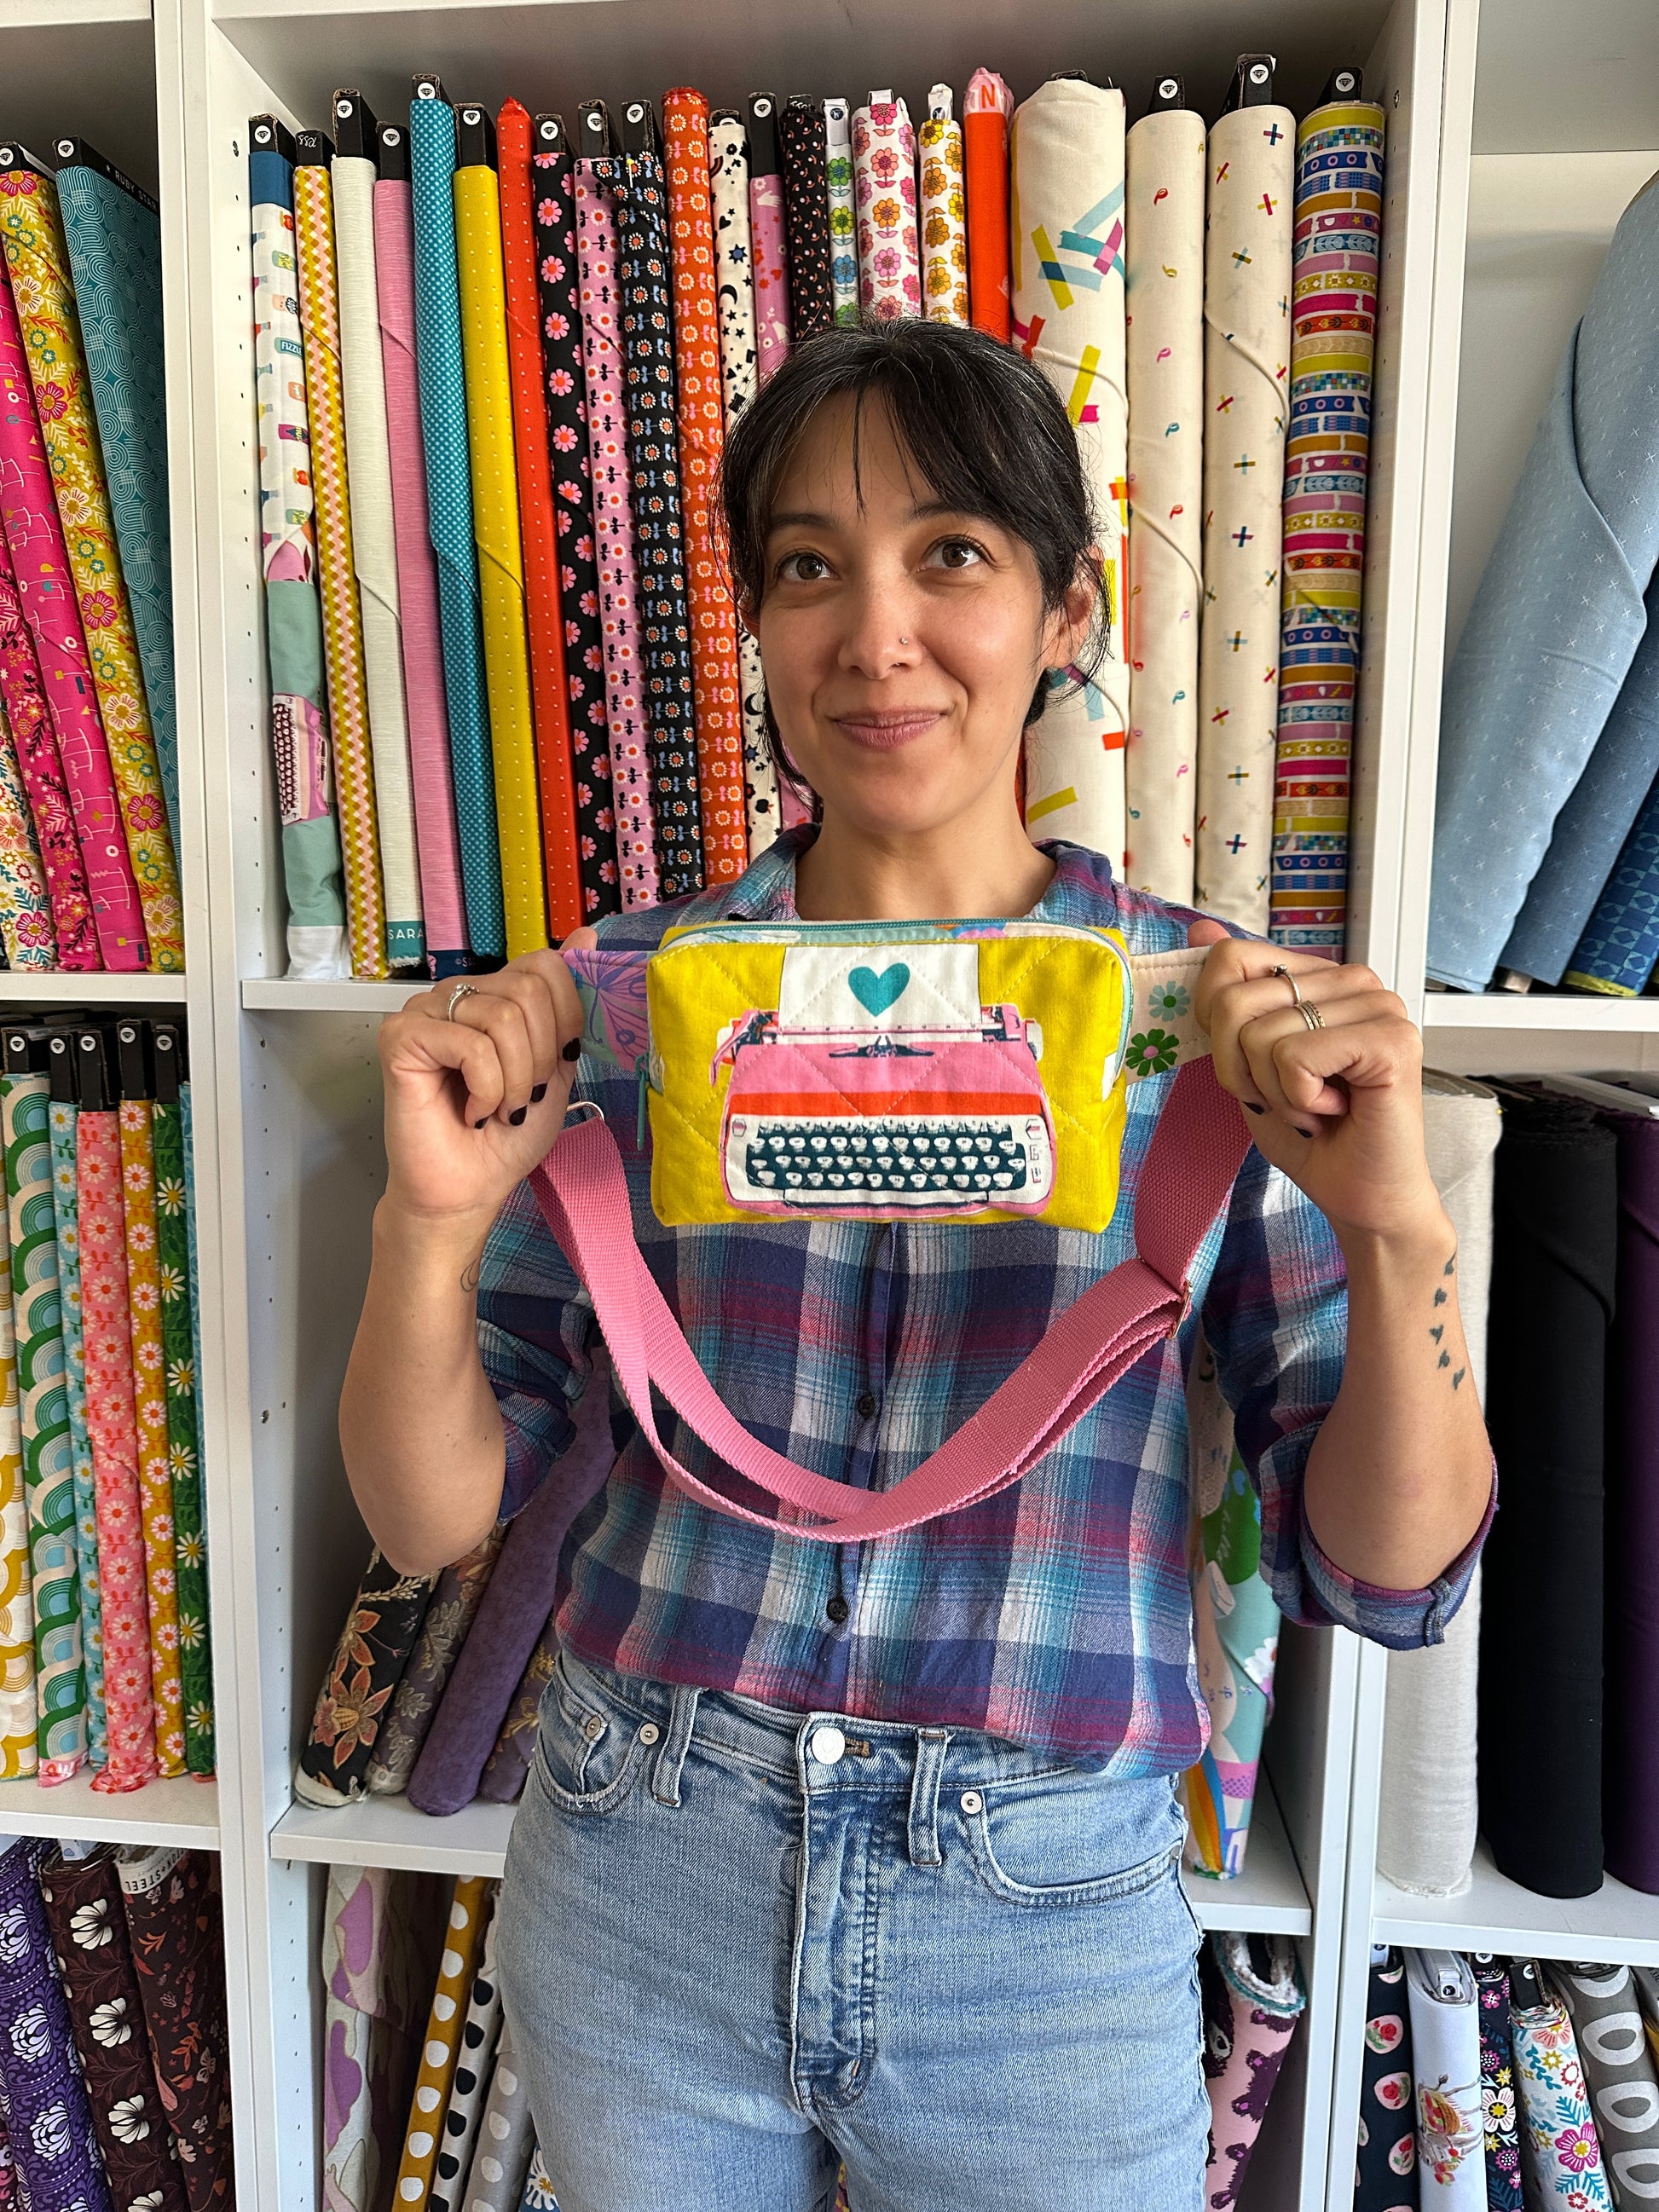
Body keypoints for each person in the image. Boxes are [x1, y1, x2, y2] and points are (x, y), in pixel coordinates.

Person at [340, 321, 1492, 2212]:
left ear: (1067, 610)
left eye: (950, 551)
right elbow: (426, 1516)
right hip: (642, 1857)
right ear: (760, 625)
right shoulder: (612, 1001)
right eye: (809, 566)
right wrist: (428, 1221)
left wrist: (1392, 1224)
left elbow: (1384, 1570)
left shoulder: (1217, 1023)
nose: (874, 634)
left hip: (1039, 1914)